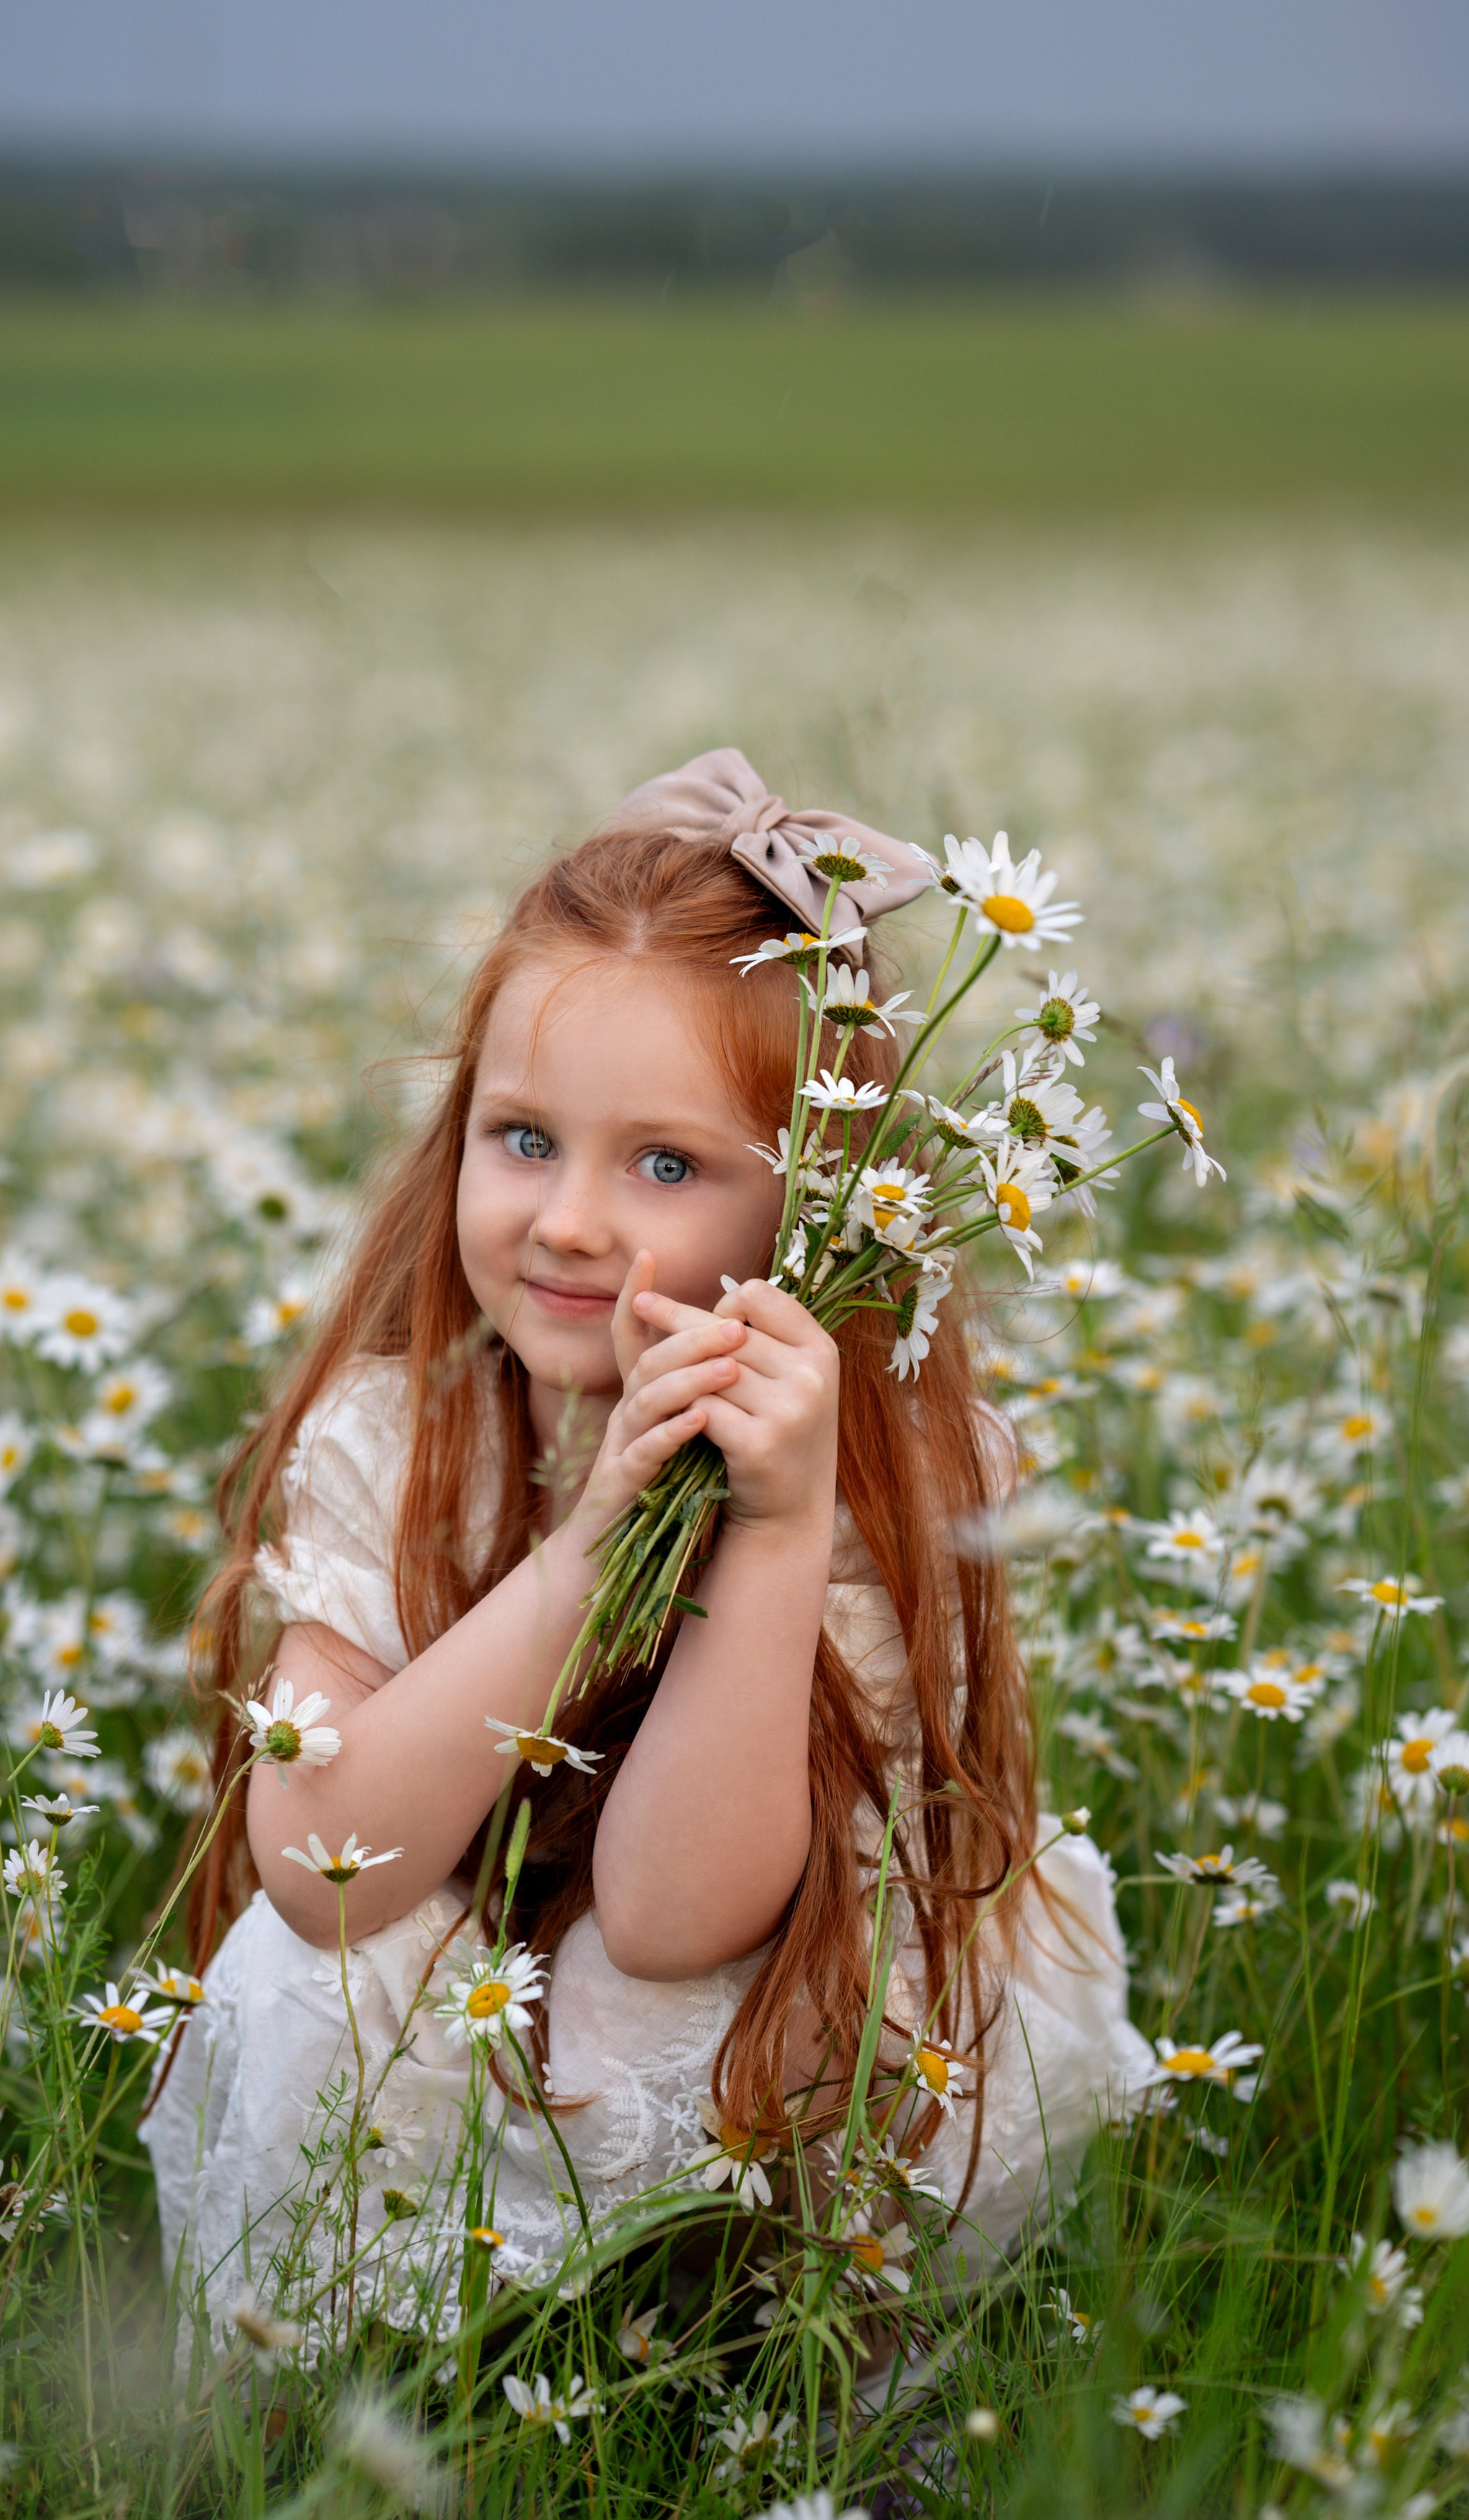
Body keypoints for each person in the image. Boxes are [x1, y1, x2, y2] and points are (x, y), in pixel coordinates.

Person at [142, 750, 1148, 2341]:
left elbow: (681, 1920)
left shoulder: (891, 1477)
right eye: (522, 1136)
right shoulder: (409, 1436)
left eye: (665, 1165)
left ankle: (733, 2362)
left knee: (635, 1984)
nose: (565, 1222)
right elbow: (317, 1867)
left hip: (766, 2039)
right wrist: (584, 1548)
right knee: (302, 1974)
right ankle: (393, 2349)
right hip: (462, 1997)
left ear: (816, 1213)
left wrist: (767, 1534)